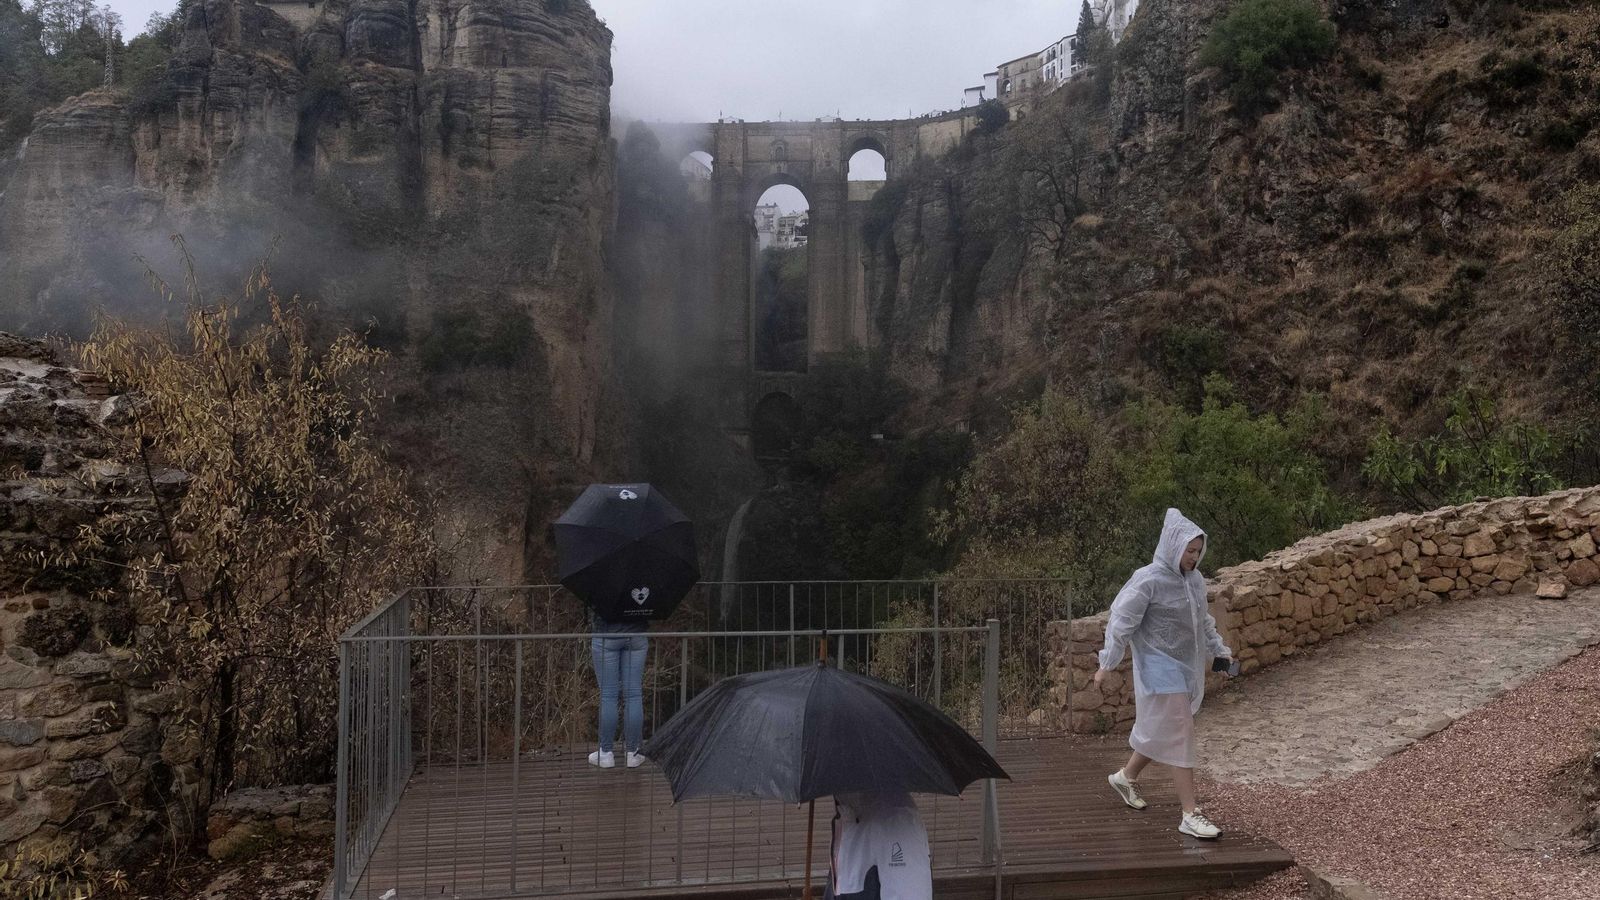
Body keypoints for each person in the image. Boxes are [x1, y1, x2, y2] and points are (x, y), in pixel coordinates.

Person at [1094, 508, 1234, 839]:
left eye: (1198, 551)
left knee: (1163, 728)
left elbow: (1203, 622)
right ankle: (1189, 813)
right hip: (1157, 666)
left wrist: (1220, 652)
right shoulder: (1149, 580)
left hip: (1182, 667)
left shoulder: (1195, 580)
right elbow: (1121, 621)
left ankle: (1126, 778)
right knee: (1181, 731)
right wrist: (1107, 663)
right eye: (1189, 550)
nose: (1193, 557)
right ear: (1172, 546)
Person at [825, 792, 932, 900]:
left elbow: (908, 891)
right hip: (853, 828)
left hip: (890, 830)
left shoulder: (895, 816)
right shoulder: (849, 813)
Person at [588, 609, 648, 769]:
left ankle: (606, 753)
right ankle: (633, 753)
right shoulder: (640, 582)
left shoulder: (601, 582)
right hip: (636, 633)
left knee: (608, 696)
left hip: (605, 634)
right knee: (634, 695)